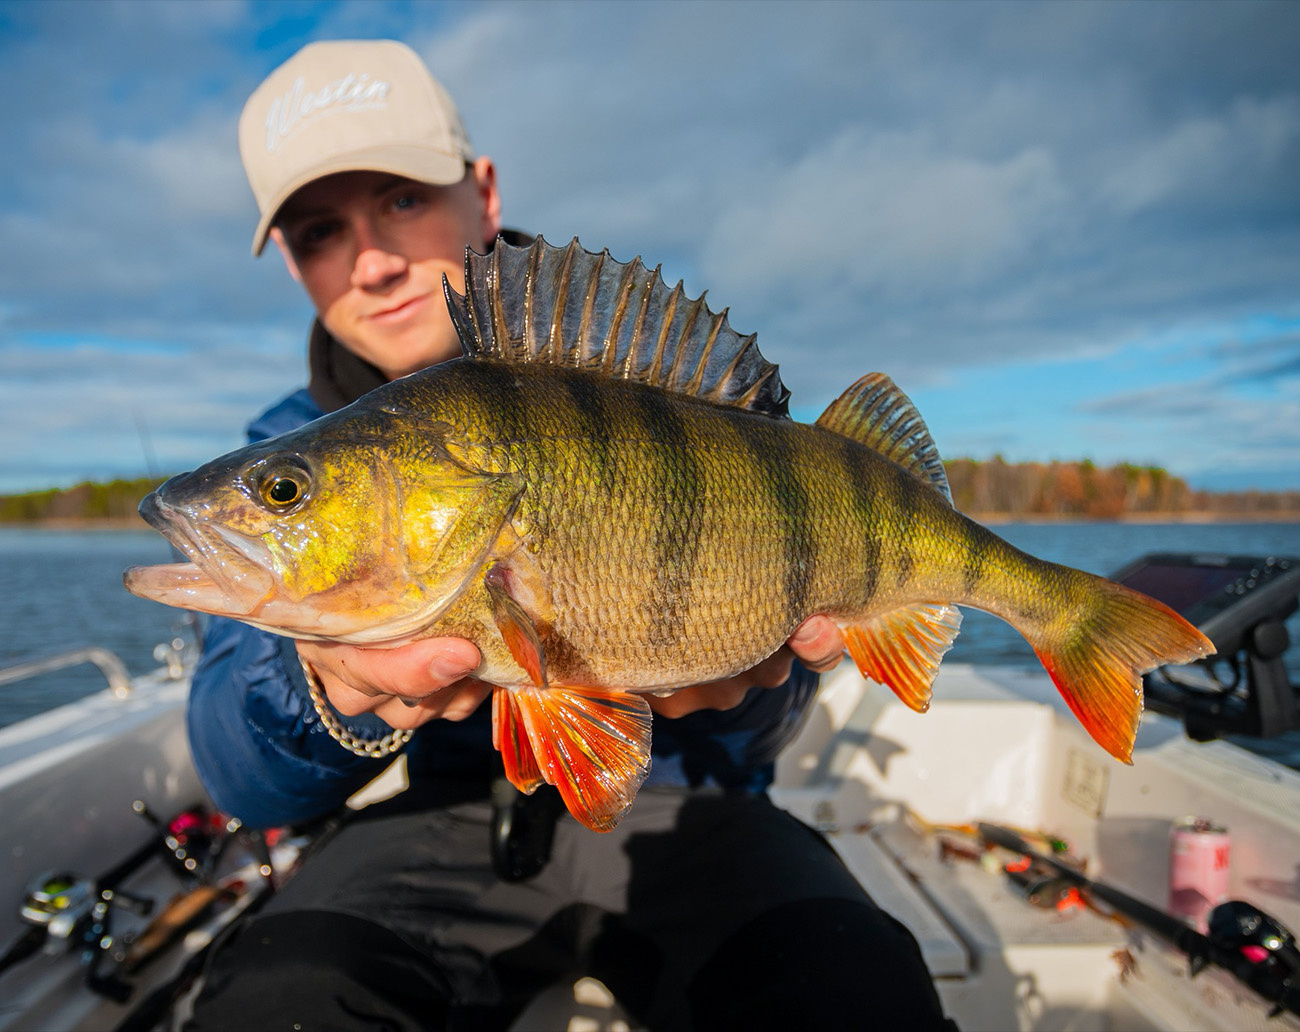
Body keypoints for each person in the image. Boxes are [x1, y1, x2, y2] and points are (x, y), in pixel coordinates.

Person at [183, 39, 957, 1032]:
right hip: (446, 818)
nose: (372, 261)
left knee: (849, 993)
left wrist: (716, 683)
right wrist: (327, 681)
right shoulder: (285, 449)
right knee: (282, 1001)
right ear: (295, 261)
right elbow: (244, 777)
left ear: (483, 192)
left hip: (696, 804)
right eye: (321, 231)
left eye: (405, 200)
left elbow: (773, 698)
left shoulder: (654, 388)